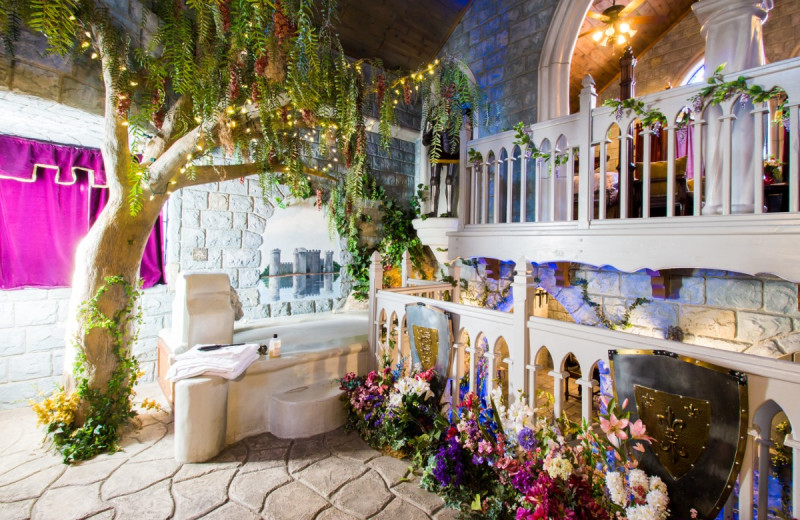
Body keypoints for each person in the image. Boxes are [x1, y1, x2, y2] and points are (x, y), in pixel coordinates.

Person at [422, 123, 459, 217]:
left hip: (453, 146)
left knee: (450, 180)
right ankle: (433, 211)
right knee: (434, 180)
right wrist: (427, 135)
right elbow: (426, 135)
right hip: (437, 145)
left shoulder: (458, 110)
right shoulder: (434, 111)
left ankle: (450, 211)